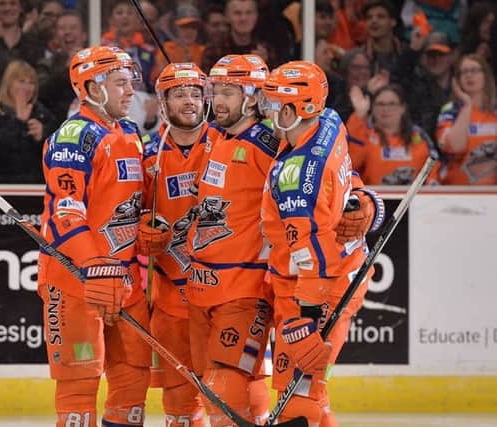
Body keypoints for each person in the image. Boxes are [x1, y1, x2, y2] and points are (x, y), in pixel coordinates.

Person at [37, 45, 151, 427]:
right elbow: (65, 214)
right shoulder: (73, 138)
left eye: (130, 82)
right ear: (90, 88)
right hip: (77, 282)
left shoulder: (131, 133)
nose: (131, 91)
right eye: (120, 83)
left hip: (125, 280)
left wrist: (153, 228)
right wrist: (94, 265)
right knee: (79, 383)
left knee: (133, 376)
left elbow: (141, 199)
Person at [260, 60, 379, 427]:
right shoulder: (330, 123)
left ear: (299, 108)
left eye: (275, 102)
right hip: (340, 277)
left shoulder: (297, 175)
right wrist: (365, 201)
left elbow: (311, 257)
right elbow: (348, 178)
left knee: (298, 400)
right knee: (311, 392)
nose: (267, 110)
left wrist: (307, 320)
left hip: (316, 291)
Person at [187, 54, 275, 427]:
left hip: (245, 287)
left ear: (253, 97)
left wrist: (362, 202)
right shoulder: (213, 139)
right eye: (215, 91)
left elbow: (320, 174)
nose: (217, 101)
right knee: (234, 378)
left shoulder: (270, 144)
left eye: (228, 92)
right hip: (201, 286)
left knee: (224, 383)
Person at [140, 62, 209, 427]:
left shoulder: (225, 146)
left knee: (233, 389)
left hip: (224, 292)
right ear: (162, 102)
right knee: (179, 400)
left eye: (196, 93)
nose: (189, 101)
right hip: (170, 294)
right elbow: (129, 215)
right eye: (179, 93)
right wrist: (144, 234)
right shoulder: (146, 155)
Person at [346, 83, 440, 185]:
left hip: (414, 199)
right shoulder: (363, 133)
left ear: (403, 108)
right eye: (380, 104)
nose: (385, 109)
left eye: (392, 104)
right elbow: (351, 164)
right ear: (372, 108)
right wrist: (359, 117)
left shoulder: (419, 136)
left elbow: (432, 168)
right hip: (373, 199)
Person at [0, 59, 56, 183]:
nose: (26, 88)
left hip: (37, 187)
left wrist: (44, 136)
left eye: (31, 83)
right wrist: (18, 122)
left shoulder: (43, 114)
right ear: (9, 84)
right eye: (21, 82)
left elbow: (59, 153)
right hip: (4, 188)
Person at [436, 54, 497, 185]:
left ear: (485, 76)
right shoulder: (450, 110)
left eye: (474, 70)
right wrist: (467, 105)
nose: (469, 75)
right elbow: (455, 147)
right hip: (457, 191)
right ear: (457, 80)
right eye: (464, 72)